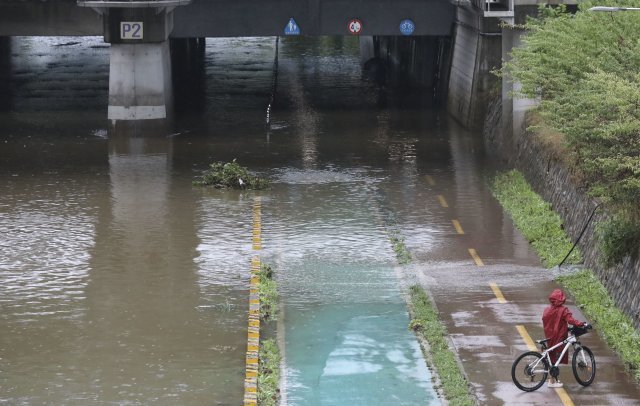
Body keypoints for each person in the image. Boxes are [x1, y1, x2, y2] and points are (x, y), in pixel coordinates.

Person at [542, 289, 588, 388]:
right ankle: (552, 381)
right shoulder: (563, 310)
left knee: (552, 357)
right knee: (556, 358)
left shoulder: (547, 310)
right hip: (559, 336)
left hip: (549, 336)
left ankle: (552, 379)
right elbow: (571, 320)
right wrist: (582, 323)